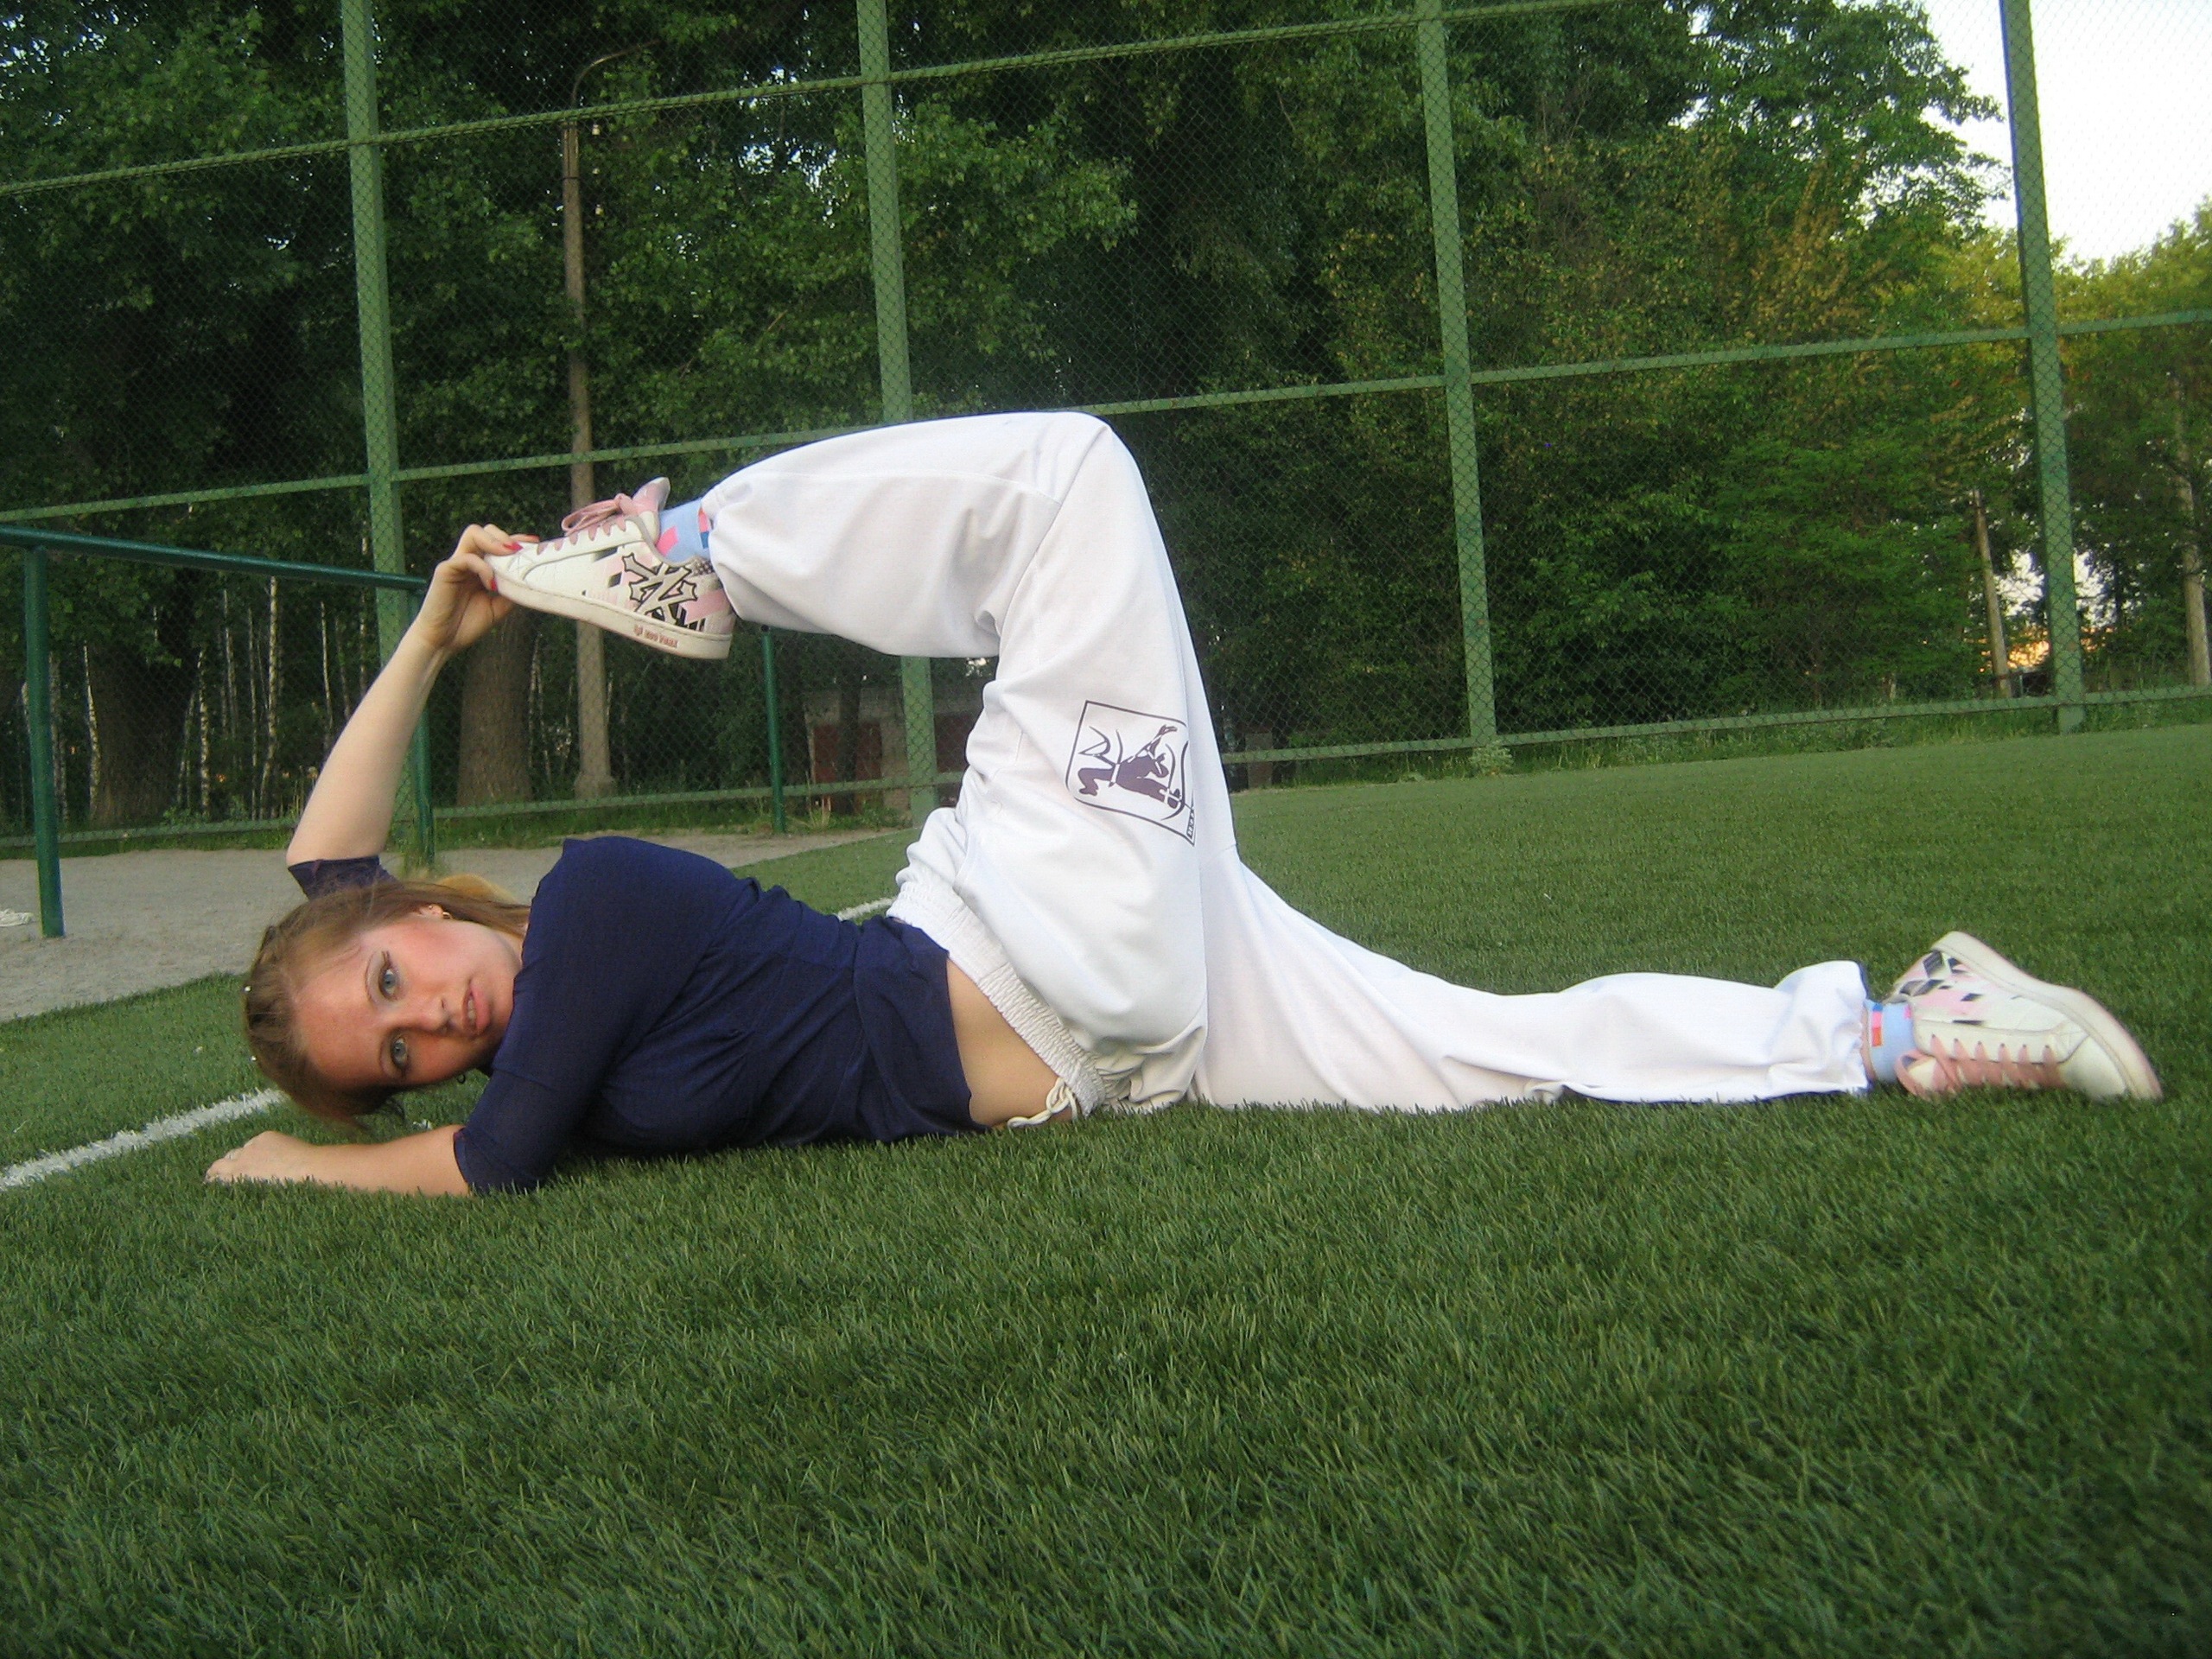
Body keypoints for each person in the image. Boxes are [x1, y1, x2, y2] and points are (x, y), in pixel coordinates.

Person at [207, 414, 2161, 1197]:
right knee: (1493, 1054)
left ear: (422, 913)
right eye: (395, 1059)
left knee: (1066, 477)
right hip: (1126, 1036)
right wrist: (319, 1134)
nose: (426, 1023)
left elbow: (341, 894)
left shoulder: (591, 913)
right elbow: (400, 1003)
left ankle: (693, 552)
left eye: (390, 980)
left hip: (1034, 921)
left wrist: (442, 630)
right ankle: (1895, 1025)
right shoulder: (535, 1047)